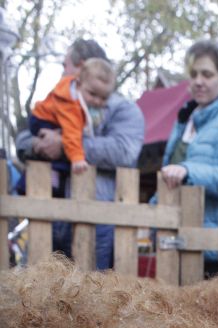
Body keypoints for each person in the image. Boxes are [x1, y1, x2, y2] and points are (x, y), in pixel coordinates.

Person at [16, 38, 144, 270]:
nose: (63, 71)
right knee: (37, 284)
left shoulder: (124, 109)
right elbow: (24, 138)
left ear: (81, 66)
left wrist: (65, 145)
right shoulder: (60, 99)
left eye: (65, 65)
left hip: (96, 216)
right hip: (48, 212)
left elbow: (123, 150)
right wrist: (38, 144)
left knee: (91, 285)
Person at [159, 38, 218, 278]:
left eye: (207, 74)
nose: (198, 81)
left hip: (214, 247)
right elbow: (170, 174)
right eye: (193, 74)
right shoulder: (185, 120)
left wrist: (189, 171)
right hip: (177, 239)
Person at [29, 58, 116, 176]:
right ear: (79, 85)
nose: (97, 101)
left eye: (104, 98)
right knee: (52, 154)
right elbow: (72, 133)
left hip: (45, 118)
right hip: (43, 120)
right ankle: (52, 176)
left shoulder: (77, 91)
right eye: (92, 94)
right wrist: (77, 158)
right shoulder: (71, 105)